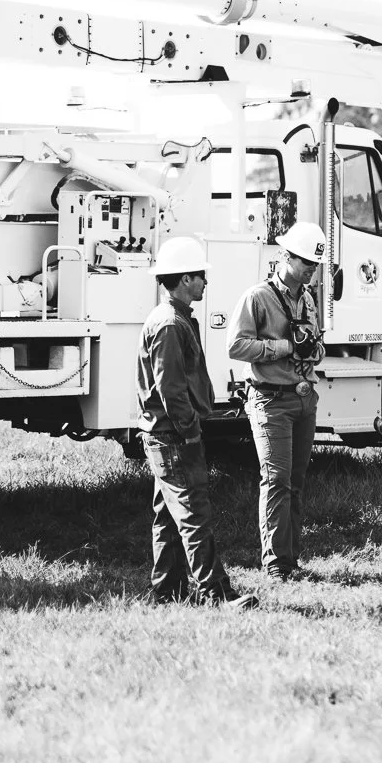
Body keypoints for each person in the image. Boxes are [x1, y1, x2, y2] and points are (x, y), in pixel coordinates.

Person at [136, 237, 256, 610]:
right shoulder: (171, 324)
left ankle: (168, 591)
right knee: (193, 513)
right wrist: (190, 432)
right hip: (173, 434)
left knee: (169, 516)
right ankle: (217, 593)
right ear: (186, 279)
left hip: (163, 432)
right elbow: (171, 388)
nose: (206, 282)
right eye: (201, 276)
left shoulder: (171, 319)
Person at [229, 221, 328, 583]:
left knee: (295, 483)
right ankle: (275, 563)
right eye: (304, 262)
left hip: (304, 399)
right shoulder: (257, 297)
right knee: (276, 480)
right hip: (271, 400)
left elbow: (317, 347)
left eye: (314, 265)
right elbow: (236, 346)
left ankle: (290, 558)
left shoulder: (308, 299)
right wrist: (285, 347)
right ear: (283, 256)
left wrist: (312, 348)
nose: (309, 270)